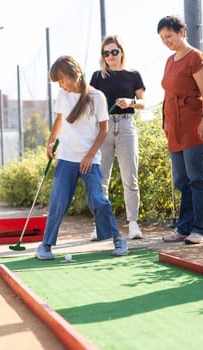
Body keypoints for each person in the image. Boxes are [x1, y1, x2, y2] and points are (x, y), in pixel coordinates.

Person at [36, 55, 128, 260]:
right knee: (58, 201)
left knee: (98, 199)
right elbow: (59, 120)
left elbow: (103, 130)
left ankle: (117, 238)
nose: (60, 85)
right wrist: (51, 141)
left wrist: (89, 155)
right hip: (67, 157)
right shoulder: (62, 95)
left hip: (90, 159)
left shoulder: (97, 97)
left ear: (73, 75)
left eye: (62, 79)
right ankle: (46, 245)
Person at [157, 16, 203, 245]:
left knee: (197, 178)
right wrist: (165, 120)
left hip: (193, 124)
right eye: (162, 38)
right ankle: (184, 227)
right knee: (181, 178)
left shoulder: (195, 58)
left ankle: (200, 228)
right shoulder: (170, 61)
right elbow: (168, 93)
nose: (166, 41)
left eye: (169, 36)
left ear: (182, 32)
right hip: (175, 127)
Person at [89, 35, 146, 241]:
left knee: (130, 177)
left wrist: (130, 101)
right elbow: (89, 102)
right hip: (103, 127)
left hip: (126, 124)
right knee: (101, 178)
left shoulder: (133, 75)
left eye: (114, 51)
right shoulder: (97, 76)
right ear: (103, 56)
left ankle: (133, 224)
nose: (111, 56)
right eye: (106, 53)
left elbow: (142, 102)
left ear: (121, 51)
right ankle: (100, 225)